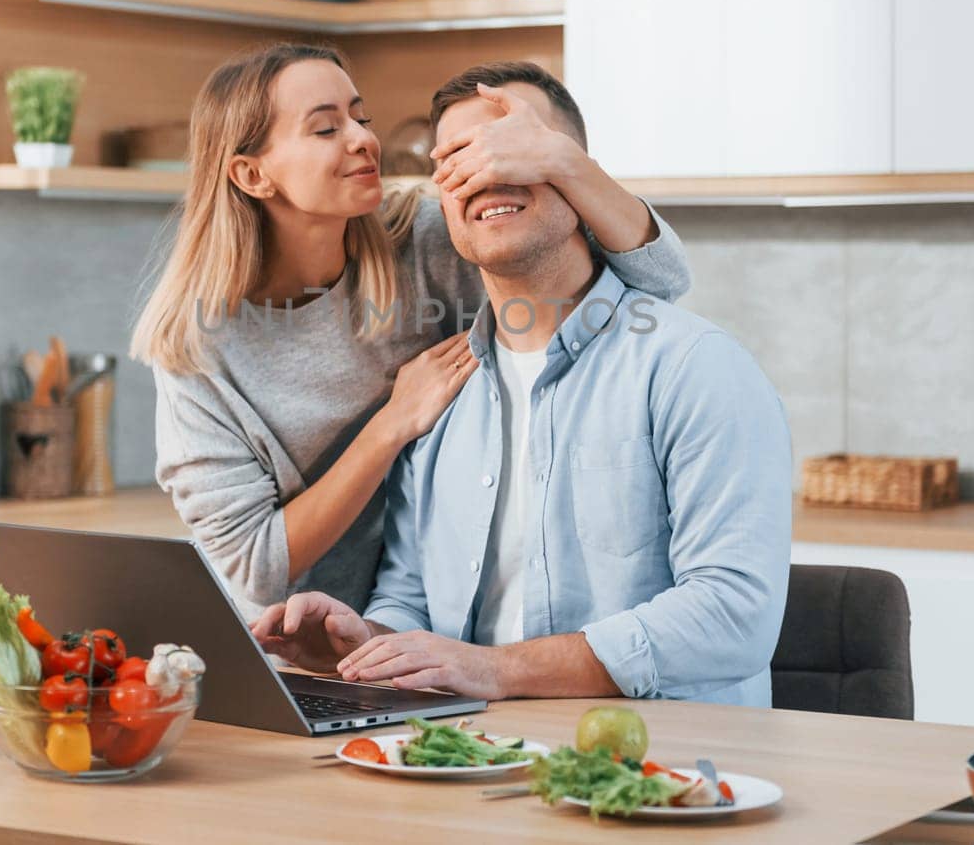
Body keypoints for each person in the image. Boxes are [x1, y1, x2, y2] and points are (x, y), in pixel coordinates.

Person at [252, 62, 792, 705]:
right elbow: (412, 596)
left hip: (657, 773)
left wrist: (496, 670)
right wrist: (365, 644)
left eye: (514, 149)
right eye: (457, 158)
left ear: (572, 172)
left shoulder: (693, 368)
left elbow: (734, 616)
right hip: (477, 763)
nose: (486, 174)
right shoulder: (435, 394)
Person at [130, 43, 695, 621]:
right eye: (326, 128)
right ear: (252, 174)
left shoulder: (425, 243)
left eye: (360, 117)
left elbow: (660, 280)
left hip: (435, 626)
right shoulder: (195, 349)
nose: (362, 139)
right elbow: (255, 564)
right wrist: (393, 424)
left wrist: (563, 161)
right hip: (302, 649)